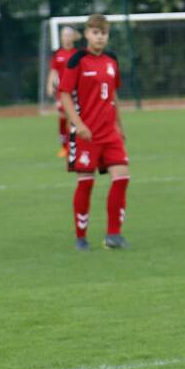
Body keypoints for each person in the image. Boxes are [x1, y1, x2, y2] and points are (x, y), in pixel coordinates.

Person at [59, 14, 130, 251]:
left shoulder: (112, 61)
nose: (100, 37)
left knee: (122, 177)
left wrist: (120, 126)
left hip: (109, 133)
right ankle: (81, 237)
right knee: (86, 183)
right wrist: (78, 124)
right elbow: (65, 94)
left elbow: (113, 95)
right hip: (86, 134)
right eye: (96, 33)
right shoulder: (77, 60)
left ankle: (114, 235)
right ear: (87, 34)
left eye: (104, 33)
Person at [46, 26, 80, 158]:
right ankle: (65, 147)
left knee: (74, 119)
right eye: (64, 35)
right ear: (61, 37)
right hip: (62, 92)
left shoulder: (77, 54)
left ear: (72, 37)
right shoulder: (57, 55)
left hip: (75, 92)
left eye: (68, 35)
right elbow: (54, 71)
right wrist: (49, 85)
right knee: (63, 117)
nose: (66, 38)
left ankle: (74, 145)